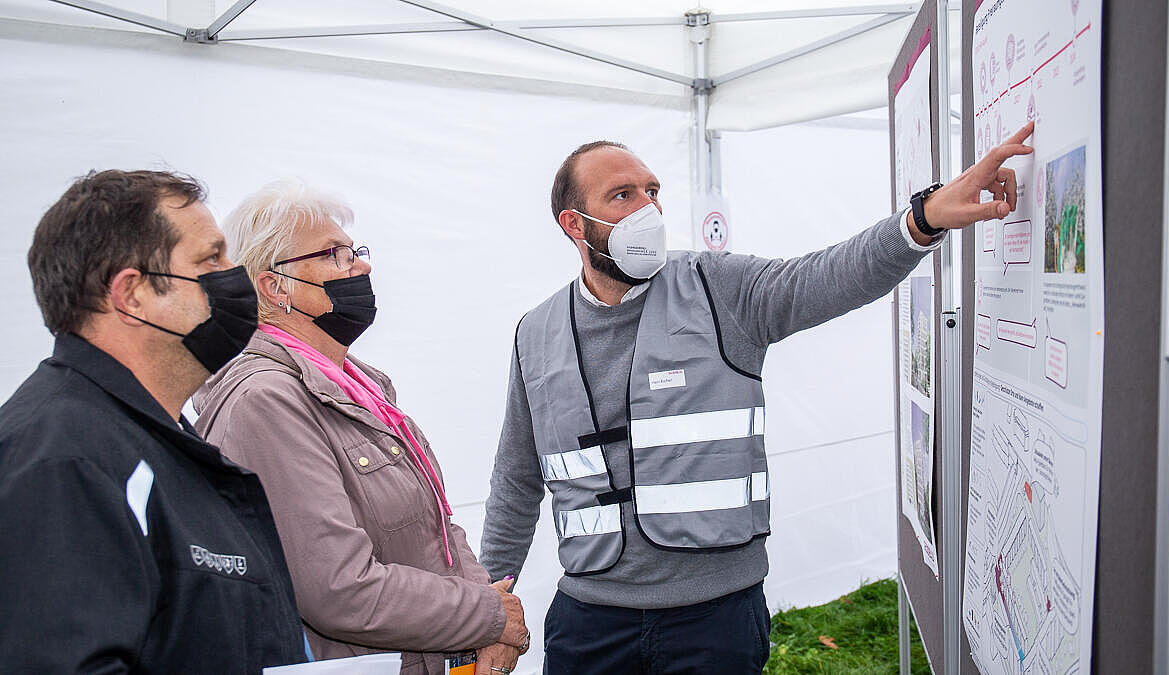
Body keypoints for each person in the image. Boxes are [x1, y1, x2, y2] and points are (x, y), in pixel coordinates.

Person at [480, 124, 1036, 673]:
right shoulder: (536, 332)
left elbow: (824, 278)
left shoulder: (715, 287)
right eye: (622, 196)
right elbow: (516, 478)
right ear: (575, 224)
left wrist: (923, 219)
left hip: (715, 621)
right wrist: (485, 611)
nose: (647, 208)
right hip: (589, 623)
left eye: (653, 192)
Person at [193, 179, 529, 675]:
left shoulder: (360, 386)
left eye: (356, 252)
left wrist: (487, 613)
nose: (362, 267)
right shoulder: (265, 401)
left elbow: (435, 525)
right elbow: (338, 588)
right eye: (336, 255)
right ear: (274, 286)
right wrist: (487, 617)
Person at [0, 170, 307, 671]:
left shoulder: (158, 440)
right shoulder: (64, 460)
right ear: (132, 295)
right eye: (211, 258)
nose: (237, 274)